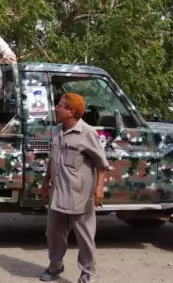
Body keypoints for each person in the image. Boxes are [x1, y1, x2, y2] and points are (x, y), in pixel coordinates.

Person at [40, 93, 109, 283]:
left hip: (79, 195)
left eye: (60, 106)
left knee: (85, 237)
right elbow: (53, 158)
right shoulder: (56, 131)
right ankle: (55, 266)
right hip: (57, 194)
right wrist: (46, 181)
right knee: (53, 234)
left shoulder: (87, 133)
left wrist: (99, 189)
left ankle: (87, 273)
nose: (56, 108)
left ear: (71, 112)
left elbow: (101, 165)